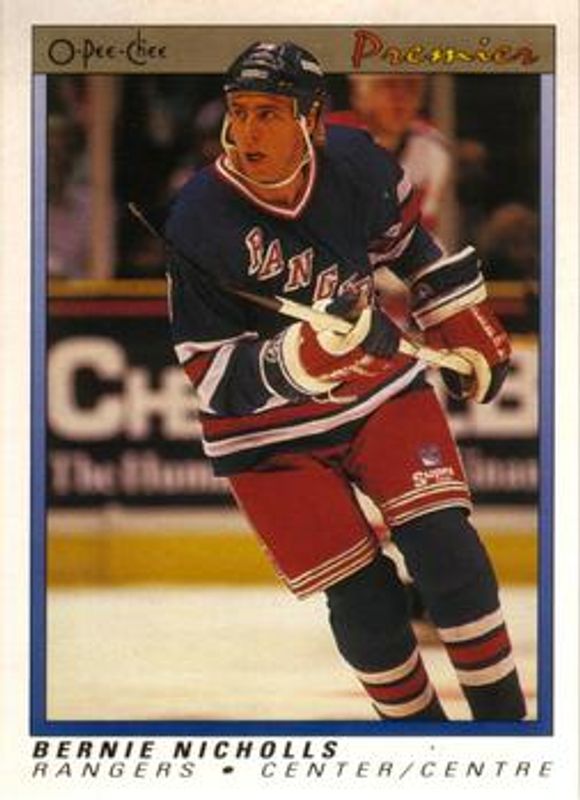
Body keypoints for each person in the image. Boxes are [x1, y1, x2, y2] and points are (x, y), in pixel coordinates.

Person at [164, 41, 526, 721]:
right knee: (366, 604)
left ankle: (507, 735)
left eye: (269, 113)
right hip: (266, 436)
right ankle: (420, 747)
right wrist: (305, 355)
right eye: (240, 111)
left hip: (375, 391)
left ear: (312, 119)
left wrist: (456, 315)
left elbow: (409, 248)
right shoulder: (199, 216)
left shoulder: (358, 162)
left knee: (451, 558)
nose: (247, 131)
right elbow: (211, 376)